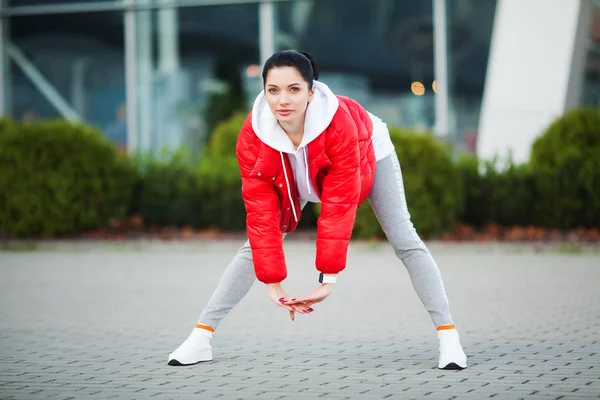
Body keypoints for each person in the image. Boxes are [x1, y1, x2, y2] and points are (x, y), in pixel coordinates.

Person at [168, 50, 467, 370]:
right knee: (252, 246)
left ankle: (448, 337)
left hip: (365, 154)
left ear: (311, 91)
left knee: (404, 238)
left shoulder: (339, 125)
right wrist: (273, 283)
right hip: (292, 166)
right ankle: (201, 338)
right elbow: (261, 216)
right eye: (273, 90)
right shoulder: (254, 136)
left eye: (294, 89)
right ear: (264, 91)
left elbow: (338, 206)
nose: (283, 100)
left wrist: (328, 280)